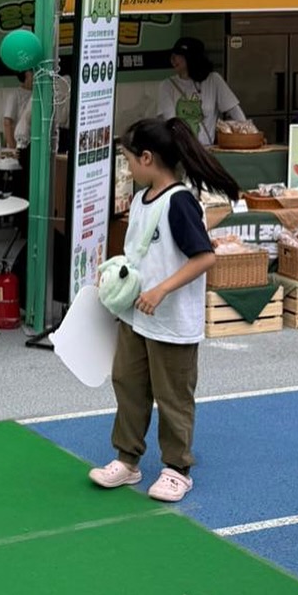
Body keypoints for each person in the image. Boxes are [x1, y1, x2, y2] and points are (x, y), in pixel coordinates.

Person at [90, 117, 239, 502]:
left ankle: (177, 468)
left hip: (171, 323)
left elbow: (204, 257)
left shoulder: (180, 202)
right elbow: (138, 254)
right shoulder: (141, 200)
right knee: (128, 384)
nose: (127, 169)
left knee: (172, 396)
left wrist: (160, 290)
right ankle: (127, 459)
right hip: (136, 317)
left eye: (128, 161)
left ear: (147, 158)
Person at [156, 36, 246, 145]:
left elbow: (235, 111)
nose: (173, 58)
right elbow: (170, 122)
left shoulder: (213, 80)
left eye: (179, 55)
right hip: (180, 150)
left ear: (192, 58)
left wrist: (248, 133)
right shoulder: (167, 85)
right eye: (173, 54)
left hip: (206, 149)